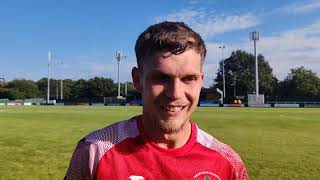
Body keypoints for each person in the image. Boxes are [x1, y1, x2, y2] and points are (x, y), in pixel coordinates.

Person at [65, 21, 248, 180]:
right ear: (137, 79)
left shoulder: (227, 163)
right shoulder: (94, 151)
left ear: (200, 81)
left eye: (188, 79)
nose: (175, 93)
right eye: (161, 78)